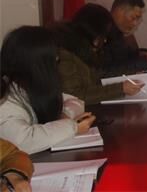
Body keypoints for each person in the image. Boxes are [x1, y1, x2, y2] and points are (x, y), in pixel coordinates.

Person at [0, 26, 95, 154]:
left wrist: (64, 117)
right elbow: (23, 141)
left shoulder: (28, 86)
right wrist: (73, 127)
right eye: (53, 57)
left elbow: (74, 101)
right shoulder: (6, 98)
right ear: (38, 63)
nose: (57, 60)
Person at [55, 3, 143, 105]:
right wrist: (120, 89)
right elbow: (74, 96)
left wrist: (132, 74)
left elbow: (100, 74)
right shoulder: (65, 55)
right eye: (102, 35)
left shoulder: (83, 49)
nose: (104, 40)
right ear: (91, 31)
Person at [103, 0, 147, 76]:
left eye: (138, 19)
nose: (135, 24)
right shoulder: (102, 31)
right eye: (133, 18)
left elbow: (124, 57)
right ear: (120, 11)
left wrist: (145, 54)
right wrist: (145, 61)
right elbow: (107, 70)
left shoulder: (117, 31)